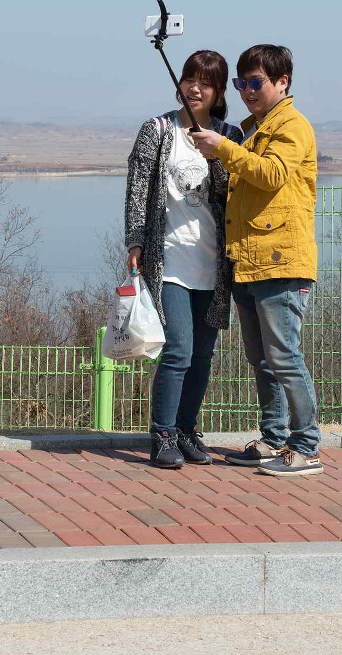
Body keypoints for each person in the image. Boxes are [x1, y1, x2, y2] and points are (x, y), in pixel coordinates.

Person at [189, 44, 322, 476]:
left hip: (281, 263)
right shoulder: (256, 127)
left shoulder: (292, 126)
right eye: (241, 83)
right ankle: (274, 438)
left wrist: (224, 150)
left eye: (256, 82)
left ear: (283, 82)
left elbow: (270, 175)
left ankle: (306, 447)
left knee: (284, 357)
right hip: (248, 260)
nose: (247, 91)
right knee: (262, 359)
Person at [125, 50, 244, 469]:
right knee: (178, 350)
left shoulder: (229, 134)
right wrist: (135, 241)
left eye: (206, 83)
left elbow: (235, 191)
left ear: (218, 91)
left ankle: (189, 430)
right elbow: (138, 187)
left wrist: (219, 155)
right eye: (190, 79)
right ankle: (162, 434)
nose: (195, 88)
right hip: (169, 260)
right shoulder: (157, 130)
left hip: (214, 265)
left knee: (204, 355)